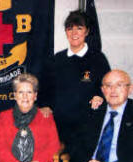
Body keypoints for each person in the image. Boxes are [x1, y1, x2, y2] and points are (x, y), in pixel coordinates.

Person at [39, 10, 111, 147]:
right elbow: (45, 88)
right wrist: (45, 106)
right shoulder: (56, 59)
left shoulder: (98, 59)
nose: (74, 33)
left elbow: (108, 85)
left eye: (79, 28)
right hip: (59, 125)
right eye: (70, 28)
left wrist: (100, 96)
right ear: (66, 32)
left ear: (87, 31)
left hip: (88, 127)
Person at [0, 73, 60, 162]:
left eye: (29, 92)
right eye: (20, 92)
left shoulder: (46, 116)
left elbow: (53, 146)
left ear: (35, 95)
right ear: (14, 95)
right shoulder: (4, 116)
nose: (25, 96)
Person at [70, 70, 133, 162]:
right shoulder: (92, 111)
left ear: (130, 89)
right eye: (108, 86)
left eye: (119, 85)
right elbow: (75, 145)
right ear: (103, 90)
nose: (113, 90)